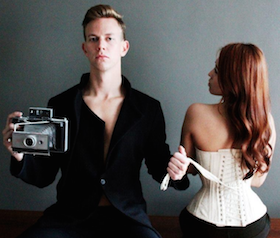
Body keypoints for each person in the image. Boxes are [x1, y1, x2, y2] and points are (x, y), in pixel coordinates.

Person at [2, 5, 189, 238]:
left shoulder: (147, 109)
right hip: (69, 217)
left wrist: (175, 173)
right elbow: (44, 175)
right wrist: (20, 155)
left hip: (126, 218)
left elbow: (158, 164)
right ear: (85, 48)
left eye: (109, 38)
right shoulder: (61, 104)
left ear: (124, 47)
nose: (101, 45)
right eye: (93, 39)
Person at [178, 43, 276, 238]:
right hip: (253, 227)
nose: (209, 74)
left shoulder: (195, 113)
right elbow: (257, 181)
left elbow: (188, 168)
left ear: (234, 78)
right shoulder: (266, 122)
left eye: (216, 69)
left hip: (201, 225)